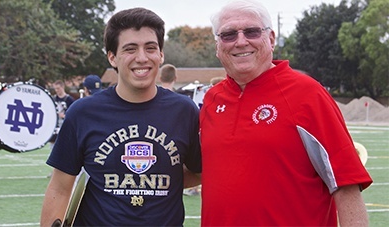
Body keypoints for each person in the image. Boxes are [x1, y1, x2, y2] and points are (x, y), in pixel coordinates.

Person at [199, 0, 373, 226]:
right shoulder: (212, 100)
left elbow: (346, 184)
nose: (241, 42)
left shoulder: (308, 94)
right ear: (217, 46)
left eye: (252, 32)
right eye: (228, 35)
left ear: (270, 39)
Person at [41, 7, 201, 226]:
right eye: (130, 49)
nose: (142, 57)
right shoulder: (83, 112)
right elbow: (60, 187)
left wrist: (145, 181)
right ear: (112, 57)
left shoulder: (185, 111)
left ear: (161, 55)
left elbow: (199, 172)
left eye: (150, 48)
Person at [49, 80, 75, 147]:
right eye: (55, 89)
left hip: (64, 125)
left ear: (62, 87)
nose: (56, 90)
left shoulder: (69, 100)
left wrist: (64, 116)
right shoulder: (53, 99)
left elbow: (73, 114)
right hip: (55, 125)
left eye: (58, 88)